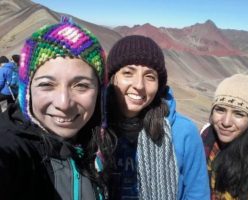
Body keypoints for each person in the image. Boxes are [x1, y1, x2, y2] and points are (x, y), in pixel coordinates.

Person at [0, 19, 113, 199]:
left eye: (81, 85)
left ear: (99, 92)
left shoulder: (99, 145)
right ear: (27, 91)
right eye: (46, 84)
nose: (64, 103)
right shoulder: (13, 149)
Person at [106, 35, 210, 200]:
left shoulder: (183, 132)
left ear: (159, 85)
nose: (139, 85)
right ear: (112, 78)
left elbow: (197, 195)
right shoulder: (96, 128)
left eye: (150, 76)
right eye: (128, 73)